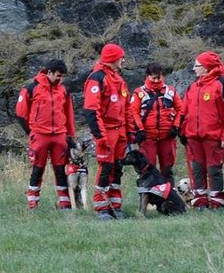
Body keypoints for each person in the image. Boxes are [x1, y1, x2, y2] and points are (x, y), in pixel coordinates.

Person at [14, 58, 76, 210]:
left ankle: (64, 203)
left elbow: (69, 113)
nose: (60, 79)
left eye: (62, 76)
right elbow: (21, 113)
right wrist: (32, 132)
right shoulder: (31, 88)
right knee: (38, 169)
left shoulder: (63, 90)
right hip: (40, 135)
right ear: (49, 72)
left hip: (60, 135)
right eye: (58, 75)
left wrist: (70, 136)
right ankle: (32, 203)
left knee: (61, 169)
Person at [182, 51, 224, 209]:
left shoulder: (223, 84)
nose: (194, 69)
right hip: (193, 136)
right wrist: (183, 132)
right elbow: (184, 111)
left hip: (213, 136)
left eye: (197, 65)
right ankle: (200, 201)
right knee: (197, 169)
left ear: (206, 67)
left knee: (214, 169)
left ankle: (217, 201)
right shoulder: (193, 86)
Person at [82, 42, 130, 219]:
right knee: (106, 168)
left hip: (120, 132)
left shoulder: (119, 79)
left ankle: (115, 205)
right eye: (121, 57)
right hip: (107, 132)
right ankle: (101, 207)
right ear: (113, 59)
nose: (123, 60)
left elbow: (127, 109)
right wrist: (100, 135)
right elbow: (91, 110)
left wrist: (130, 132)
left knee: (117, 168)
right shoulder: (98, 78)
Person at [129, 62, 181, 178]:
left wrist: (175, 126)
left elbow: (180, 110)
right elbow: (133, 112)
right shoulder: (139, 93)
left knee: (167, 169)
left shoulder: (171, 92)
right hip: (147, 137)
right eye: (154, 78)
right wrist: (140, 130)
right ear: (147, 76)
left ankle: (168, 192)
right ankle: (148, 194)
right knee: (147, 168)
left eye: (159, 77)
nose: (157, 80)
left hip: (167, 136)